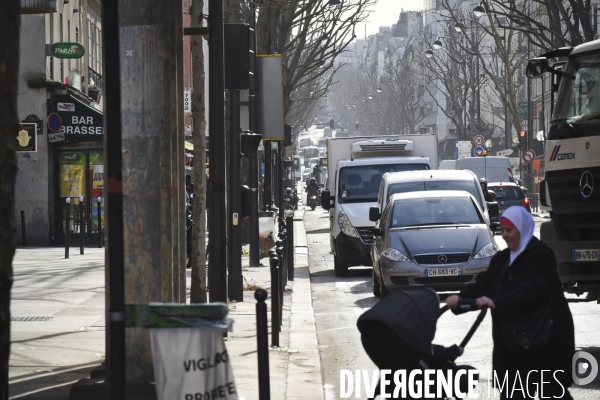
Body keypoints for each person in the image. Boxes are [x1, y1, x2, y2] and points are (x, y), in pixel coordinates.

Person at [446, 206, 575, 400]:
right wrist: (460, 300)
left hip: (546, 343)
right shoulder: (502, 259)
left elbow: (532, 292)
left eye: (509, 230)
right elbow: (484, 285)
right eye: (503, 230)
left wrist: (495, 302)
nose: (505, 235)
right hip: (512, 346)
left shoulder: (541, 256)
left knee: (552, 393)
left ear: (522, 229)